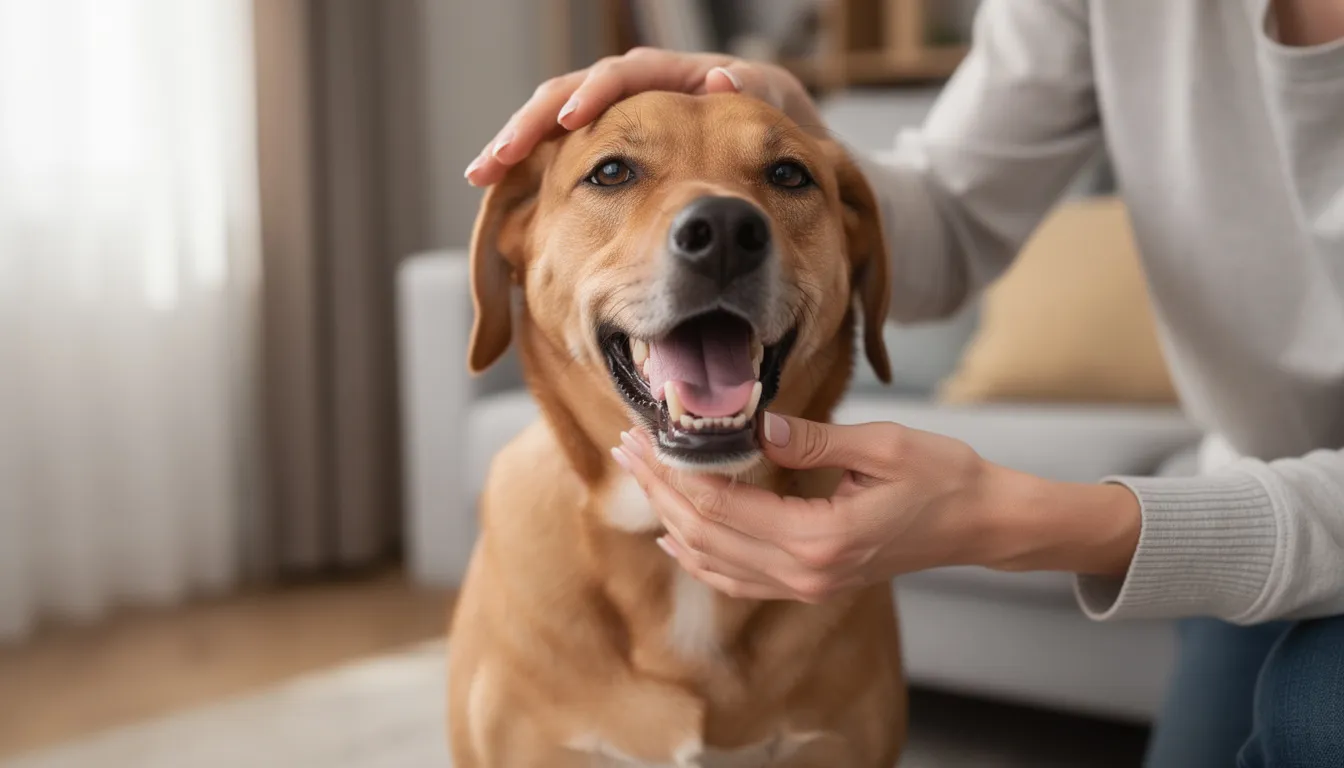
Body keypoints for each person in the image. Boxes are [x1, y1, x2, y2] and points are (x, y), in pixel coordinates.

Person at [466, 2, 1344, 765]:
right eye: (615, 172)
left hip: (1282, 524)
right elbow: (953, 211)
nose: (724, 222)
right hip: (1250, 475)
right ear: (516, 243)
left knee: (1310, 720)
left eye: (781, 180)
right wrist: (793, 120)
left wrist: (1018, 521)